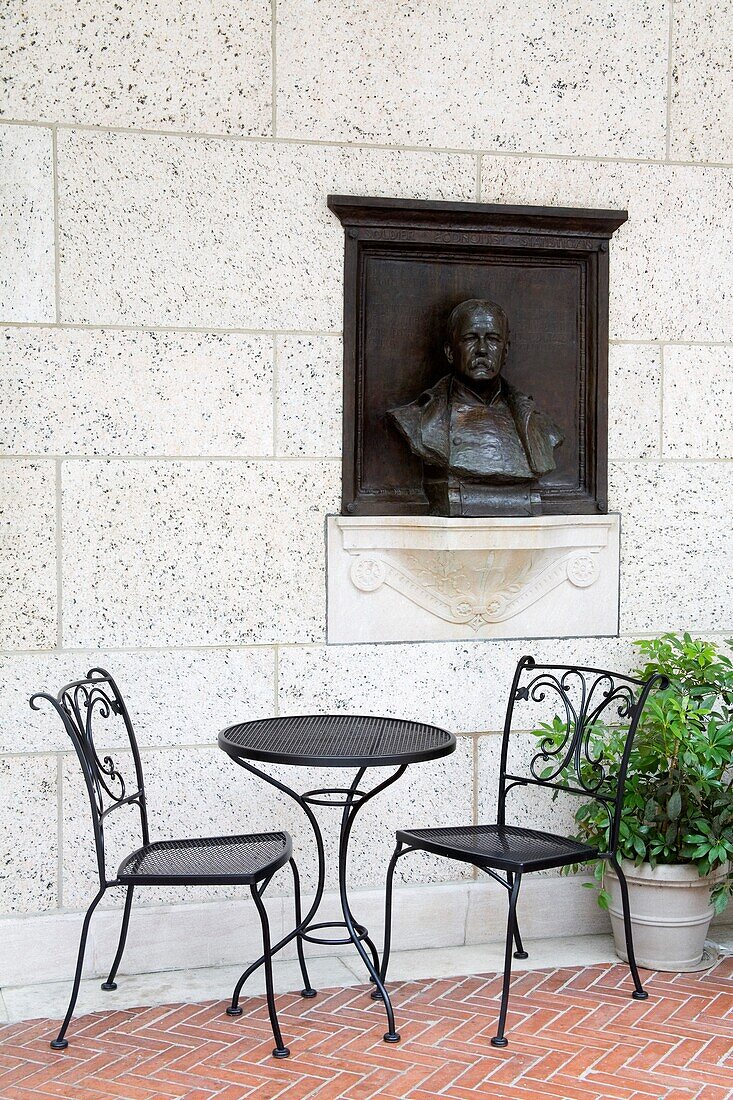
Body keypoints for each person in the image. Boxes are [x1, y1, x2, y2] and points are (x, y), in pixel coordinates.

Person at [388, 298, 564, 516]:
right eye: (470, 338)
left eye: (492, 339)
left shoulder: (541, 426)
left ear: (505, 351)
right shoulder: (416, 418)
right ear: (450, 351)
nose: (482, 350)